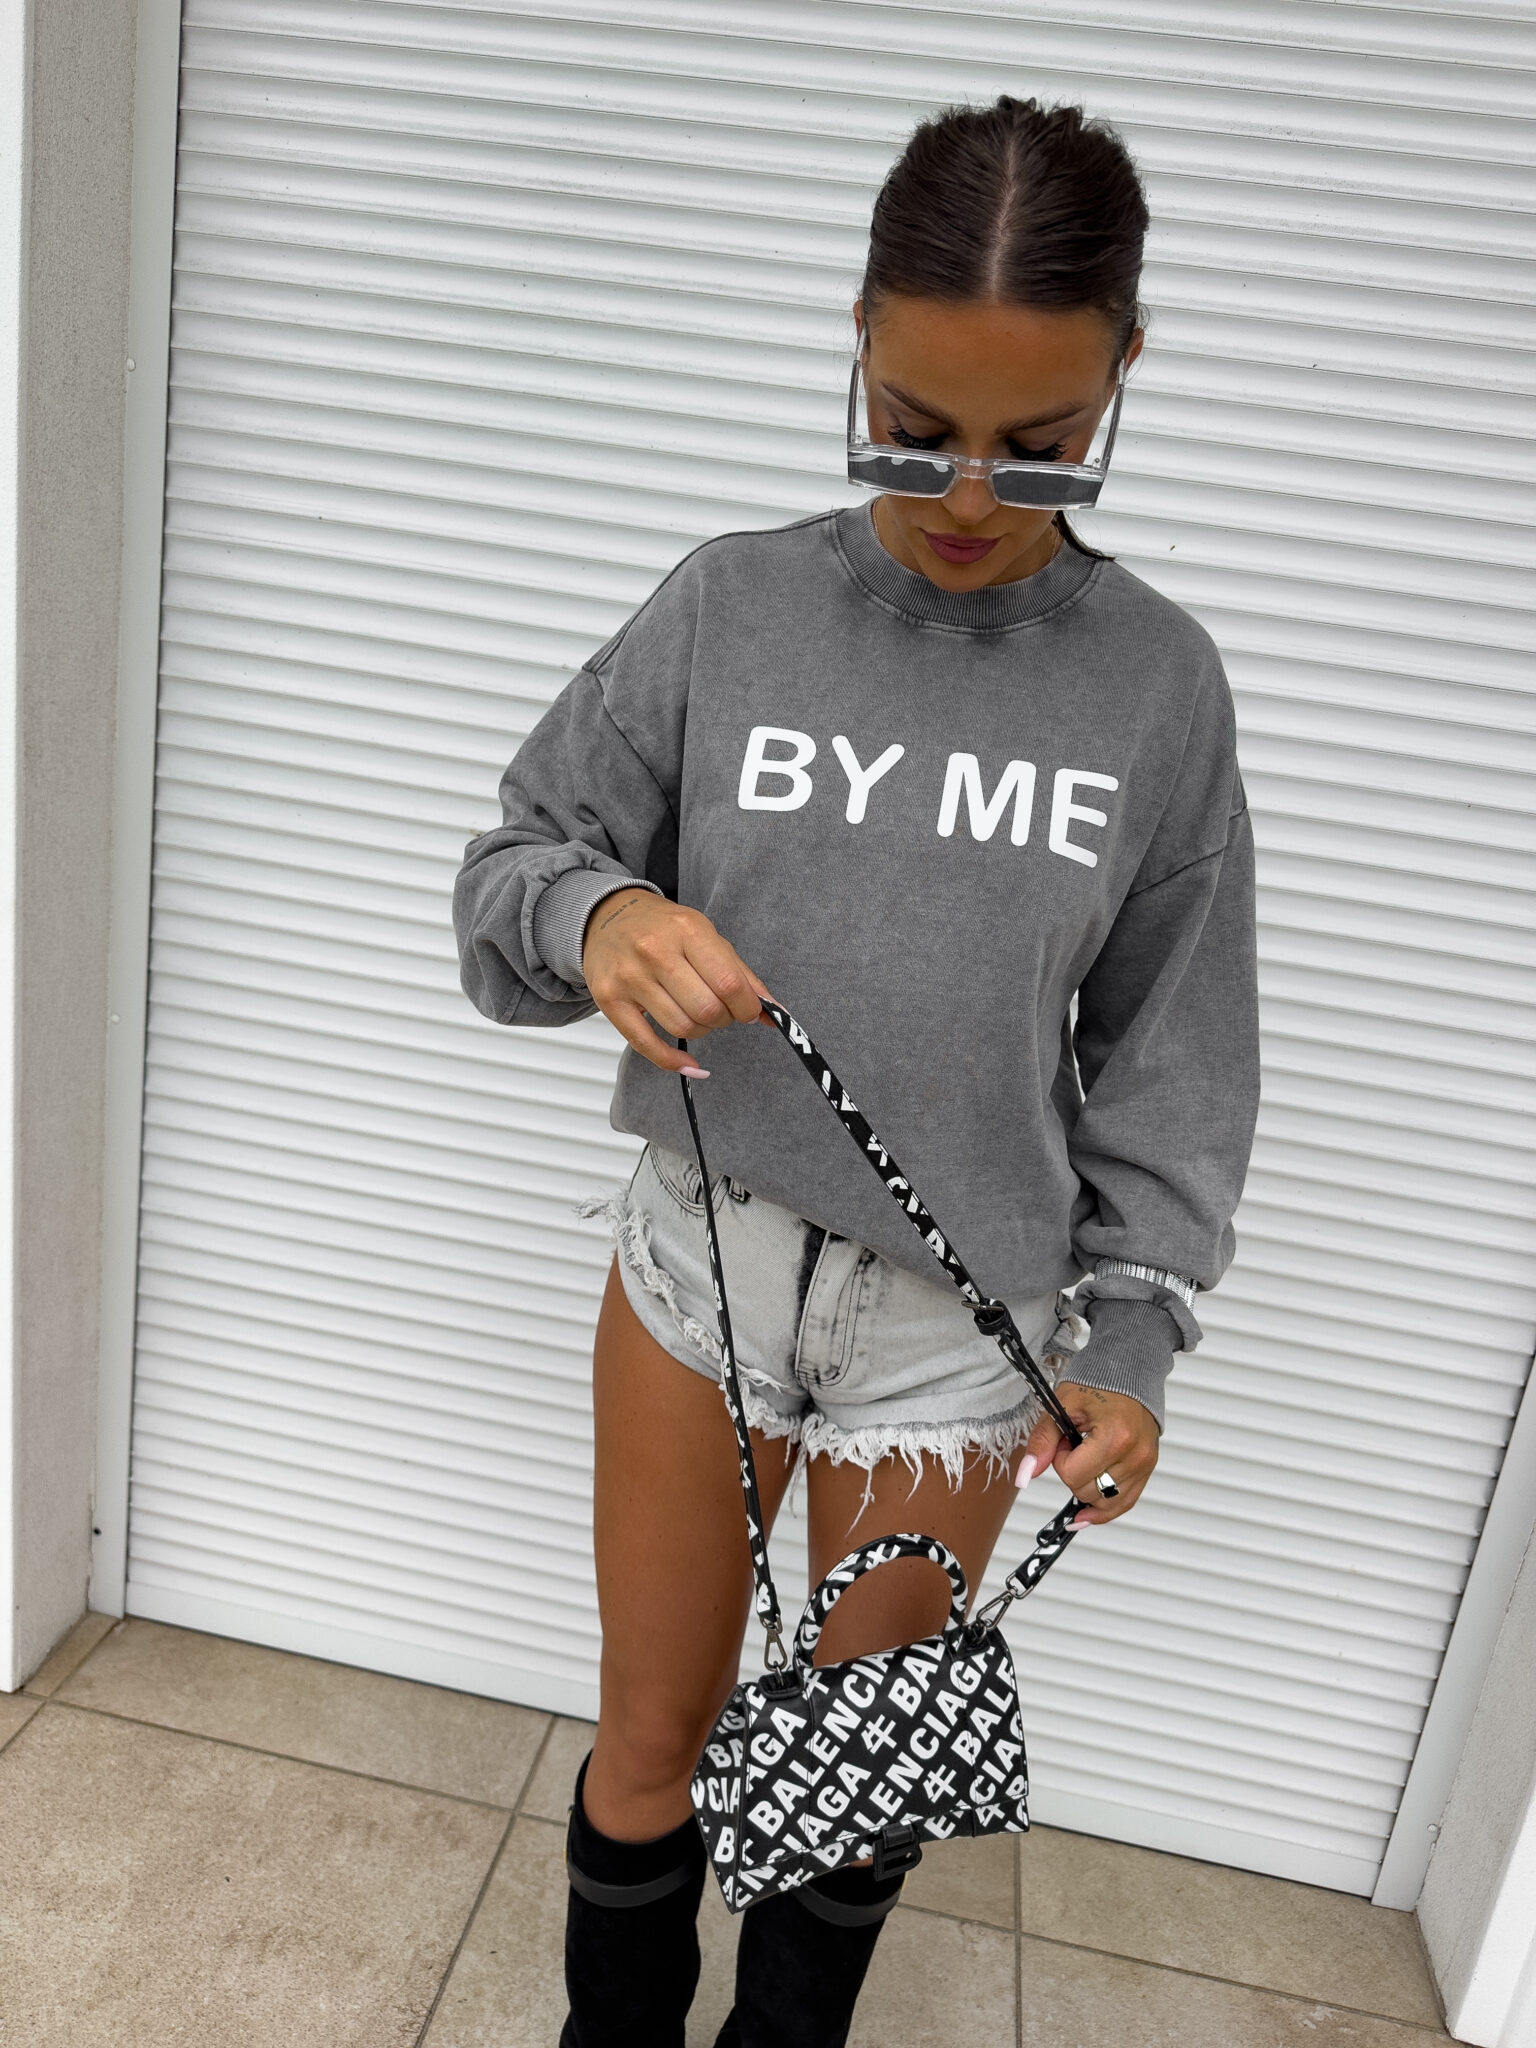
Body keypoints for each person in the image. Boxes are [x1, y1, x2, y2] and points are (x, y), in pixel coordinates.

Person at [455, 93, 1259, 2048]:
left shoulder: (1156, 687)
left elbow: (1173, 1042)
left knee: (851, 1793)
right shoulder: (727, 608)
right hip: (700, 1266)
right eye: (911, 423)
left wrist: (1131, 1344)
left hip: (954, 1342)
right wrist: (596, 915)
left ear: (1124, 372)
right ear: (855, 339)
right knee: (649, 1734)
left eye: (1041, 445)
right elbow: (512, 871)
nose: (967, 492)